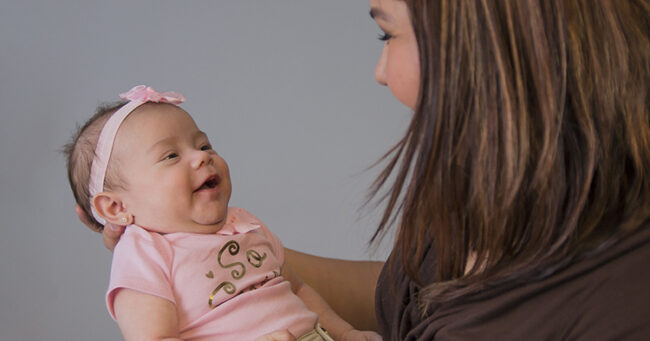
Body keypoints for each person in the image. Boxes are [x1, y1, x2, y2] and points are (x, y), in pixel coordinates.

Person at [81, 0, 650, 339]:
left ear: (488, 41)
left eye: (388, 32)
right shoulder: (480, 203)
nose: (380, 72)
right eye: (172, 155)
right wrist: (192, 255)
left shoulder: (621, 304)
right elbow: (415, 297)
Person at [64, 85, 381, 341]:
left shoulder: (244, 224)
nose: (202, 158)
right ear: (116, 207)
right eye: (171, 155)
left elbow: (298, 289)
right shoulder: (145, 254)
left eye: (203, 145)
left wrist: (344, 332)